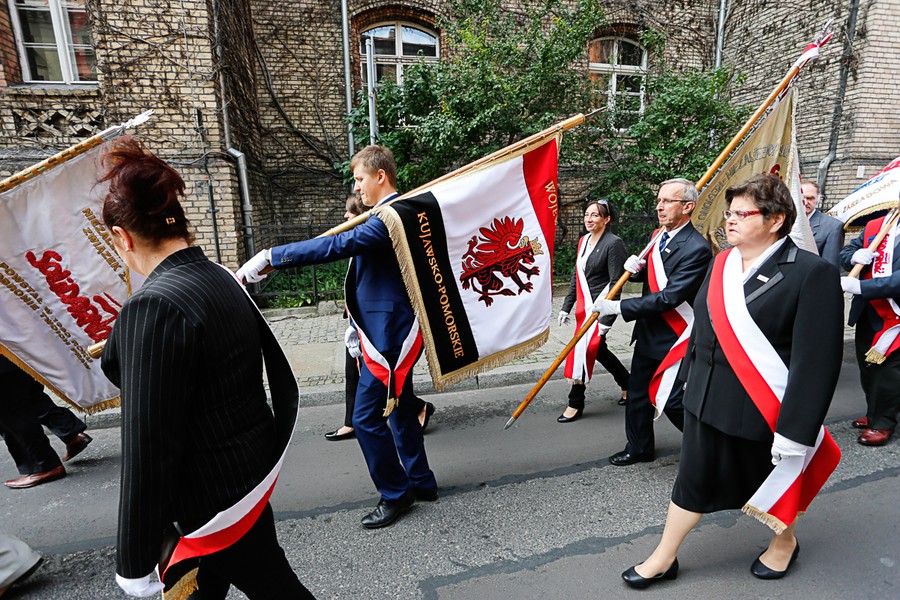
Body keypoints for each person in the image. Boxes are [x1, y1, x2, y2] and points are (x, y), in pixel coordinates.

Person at [98, 137, 313, 598]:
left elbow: (148, 445)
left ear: (123, 237)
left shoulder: (154, 306)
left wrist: (134, 560)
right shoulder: (217, 276)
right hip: (245, 481)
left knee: (276, 588)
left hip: (209, 503)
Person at [619, 174, 842, 589]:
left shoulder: (812, 274)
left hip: (763, 408)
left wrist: (796, 431)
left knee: (770, 481)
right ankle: (664, 556)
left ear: (775, 220)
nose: (730, 221)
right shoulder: (722, 262)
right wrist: (684, 384)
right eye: (730, 212)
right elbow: (703, 332)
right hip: (706, 400)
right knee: (691, 478)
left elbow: (817, 363)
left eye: (742, 213)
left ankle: (784, 542)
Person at [238, 145, 438, 529]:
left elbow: (335, 245)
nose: (358, 187)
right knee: (399, 407)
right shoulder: (388, 213)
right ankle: (421, 481)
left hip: (388, 336)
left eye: (361, 178)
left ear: (381, 176)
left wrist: (270, 255)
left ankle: (397, 493)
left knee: (365, 418)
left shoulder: (389, 217)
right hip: (387, 328)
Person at [592, 178, 712, 466]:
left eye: (667, 201)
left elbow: (669, 297)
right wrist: (633, 271)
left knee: (673, 402)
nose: (659, 206)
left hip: (676, 336)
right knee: (637, 394)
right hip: (648, 332)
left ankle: (713, 446)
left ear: (688, 207)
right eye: (659, 200)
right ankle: (639, 447)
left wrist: (619, 307)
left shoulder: (697, 247)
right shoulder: (658, 235)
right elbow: (652, 278)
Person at [327, 197, 435, 440]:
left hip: (383, 328)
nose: (345, 216)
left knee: (392, 383)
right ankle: (353, 421)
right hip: (363, 323)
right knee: (357, 371)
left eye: (351, 212)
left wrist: (273, 257)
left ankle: (415, 409)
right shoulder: (361, 239)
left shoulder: (375, 239)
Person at [556, 198, 630, 422]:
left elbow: (617, 283)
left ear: (607, 219)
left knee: (585, 350)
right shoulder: (583, 241)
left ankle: (575, 402)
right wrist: (565, 307)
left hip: (600, 308)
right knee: (598, 351)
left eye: (595, 215)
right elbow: (576, 277)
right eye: (587, 214)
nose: (589, 219)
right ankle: (629, 383)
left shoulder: (613, 243)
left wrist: (607, 320)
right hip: (583, 307)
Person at [839, 213, 900, 446]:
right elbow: (845, 254)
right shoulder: (878, 225)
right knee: (868, 367)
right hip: (869, 311)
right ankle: (874, 409)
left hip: (895, 314)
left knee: (889, 371)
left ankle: (883, 422)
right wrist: (854, 256)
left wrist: (862, 286)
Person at [0, 354, 92, 489]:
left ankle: (44, 466)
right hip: (17, 350)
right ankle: (71, 433)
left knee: (9, 412)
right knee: (28, 397)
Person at [801, 180, 843, 267]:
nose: (805, 202)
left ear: (818, 199)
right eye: (802, 198)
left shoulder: (832, 226)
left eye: (810, 198)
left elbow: (830, 266)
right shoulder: (783, 220)